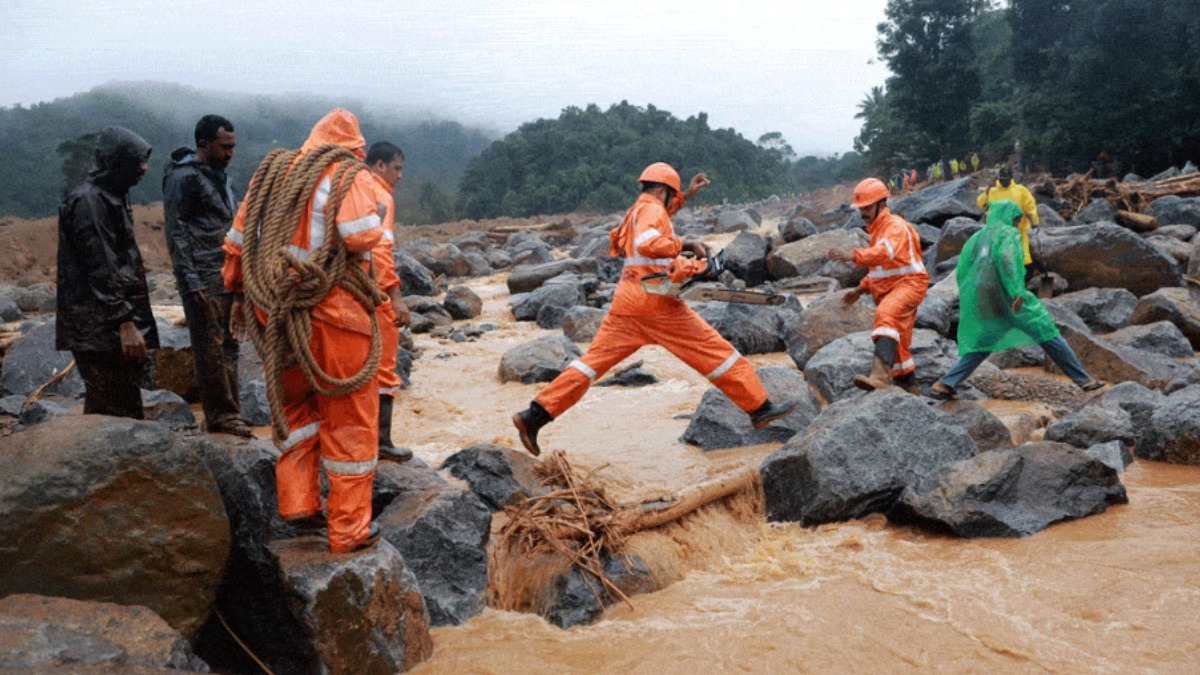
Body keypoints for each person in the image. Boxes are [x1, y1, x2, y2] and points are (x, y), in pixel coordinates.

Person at [511, 162, 797, 456]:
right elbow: (650, 242)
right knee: (714, 351)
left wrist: (686, 196)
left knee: (590, 365)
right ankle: (759, 407)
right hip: (655, 302)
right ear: (661, 191)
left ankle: (535, 416)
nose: (672, 203)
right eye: (672, 197)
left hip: (627, 302)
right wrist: (684, 244)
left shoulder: (638, 210)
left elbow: (654, 225)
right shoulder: (652, 211)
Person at [222, 108, 385, 554]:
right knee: (349, 419)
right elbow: (359, 236)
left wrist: (236, 295)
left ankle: (299, 507)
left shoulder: (269, 173)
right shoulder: (349, 173)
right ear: (356, 147)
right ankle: (348, 531)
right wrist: (381, 202)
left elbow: (238, 242)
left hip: (273, 310)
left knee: (296, 411)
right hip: (333, 314)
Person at [930, 200, 1103, 398]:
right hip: (1009, 297)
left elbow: (964, 269)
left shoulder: (977, 237)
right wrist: (1017, 291)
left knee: (984, 343)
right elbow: (1008, 260)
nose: (1017, 224)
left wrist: (974, 295)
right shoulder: (1007, 234)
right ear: (1009, 217)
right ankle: (1084, 380)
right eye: (1017, 219)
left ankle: (946, 382)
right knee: (1047, 332)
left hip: (986, 299)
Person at [57, 126, 159, 419]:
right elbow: (101, 266)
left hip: (106, 327)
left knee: (111, 409)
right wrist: (125, 323)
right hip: (100, 329)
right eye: (137, 160)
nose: (144, 167)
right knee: (117, 413)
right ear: (116, 161)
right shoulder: (90, 202)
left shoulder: (110, 196)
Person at [163, 115, 252, 437]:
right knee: (210, 347)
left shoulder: (218, 177)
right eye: (224, 147)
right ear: (204, 144)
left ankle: (230, 413)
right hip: (202, 275)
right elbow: (177, 232)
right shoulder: (183, 178)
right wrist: (190, 280)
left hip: (225, 273)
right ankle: (220, 415)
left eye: (232, 147)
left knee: (229, 344)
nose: (230, 153)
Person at [827, 178, 929, 393]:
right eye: (861, 208)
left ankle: (879, 378)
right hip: (892, 286)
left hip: (910, 284)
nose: (863, 212)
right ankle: (911, 392)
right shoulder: (877, 230)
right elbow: (881, 270)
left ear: (881, 204)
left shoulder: (894, 227)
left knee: (886, 314)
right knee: (898, 344)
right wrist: (860, 288)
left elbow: (886, 253)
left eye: (867, 207)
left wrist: (852, 256)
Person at [364, 141, 413, 463]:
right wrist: (394, 296)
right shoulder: (380, 194)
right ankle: (381, 441)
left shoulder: (353, 186)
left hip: (347, 293)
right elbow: (380, 251)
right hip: (374, 293)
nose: (399, 176)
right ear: (380, 165)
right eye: (397, 168)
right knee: (383, 367)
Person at [977, 166, 1044, 283]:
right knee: (999, 259)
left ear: (1011, 178)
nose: (1003, 181)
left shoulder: (1020, 190)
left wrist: (1034, 222)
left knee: (1022, 257)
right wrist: (988, 188)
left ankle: (1025, 284)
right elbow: (981, 203)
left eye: (1006, 179)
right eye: (1001, 179)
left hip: (1017, 231)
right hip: (997, 233)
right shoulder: (993, 191)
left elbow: (1029, 207)